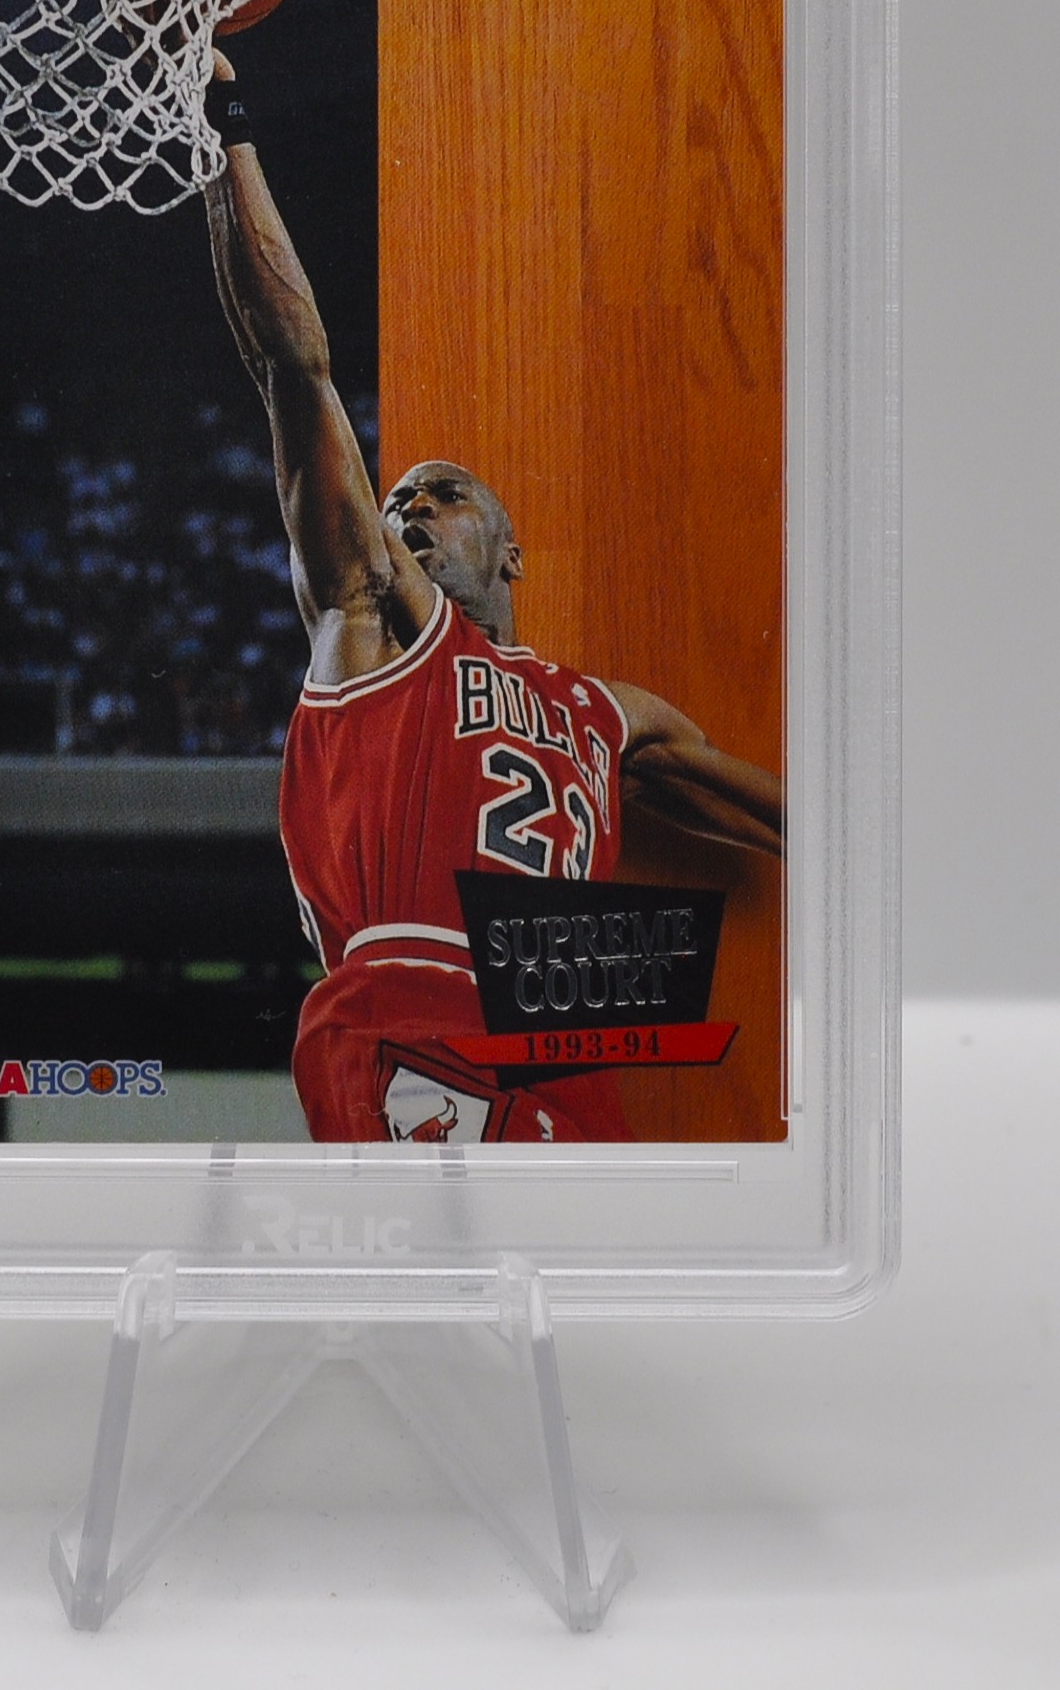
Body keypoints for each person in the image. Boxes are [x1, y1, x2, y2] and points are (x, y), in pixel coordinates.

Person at [201, 56, 784, 1143]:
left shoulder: (611, 715)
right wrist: (224, 131)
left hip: (562, 1029)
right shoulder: (376, 624)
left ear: (512, 552)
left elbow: (792, 823)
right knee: (431, 1252)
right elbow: (293, 365)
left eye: (446, 494)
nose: (411, 508)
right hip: (406, 999)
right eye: (399, 500)